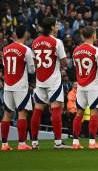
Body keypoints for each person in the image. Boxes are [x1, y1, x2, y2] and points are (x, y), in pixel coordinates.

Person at [30, 16, 68, 149]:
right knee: (56, 108)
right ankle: (58, 142)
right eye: (56, 25)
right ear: (52, 27)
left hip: (40, 80)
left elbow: (35, 61)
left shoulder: (35, 42)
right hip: (53, 80)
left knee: (38, 110)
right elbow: (64, 63)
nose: (57, 27)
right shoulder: (57, 42)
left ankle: (34, 143)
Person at [0, 24, 35, 151]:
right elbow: (31, 70)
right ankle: (21, 144)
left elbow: (5, 66)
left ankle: (4, 144)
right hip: (20, 85)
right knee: (22, 114)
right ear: (25, 34)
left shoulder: (5, 49)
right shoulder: (26, 50)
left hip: (8, 85)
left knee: (7, 114)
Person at [70, 26, 98, 149]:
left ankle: (75, 142)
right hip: (93, 85)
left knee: (79, 113)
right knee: (94, 113)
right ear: (94, 35)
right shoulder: (96, 50)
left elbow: (76, 67)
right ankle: (92, 142)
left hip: (81, 85)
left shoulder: (76, 50)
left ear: (82, 36)